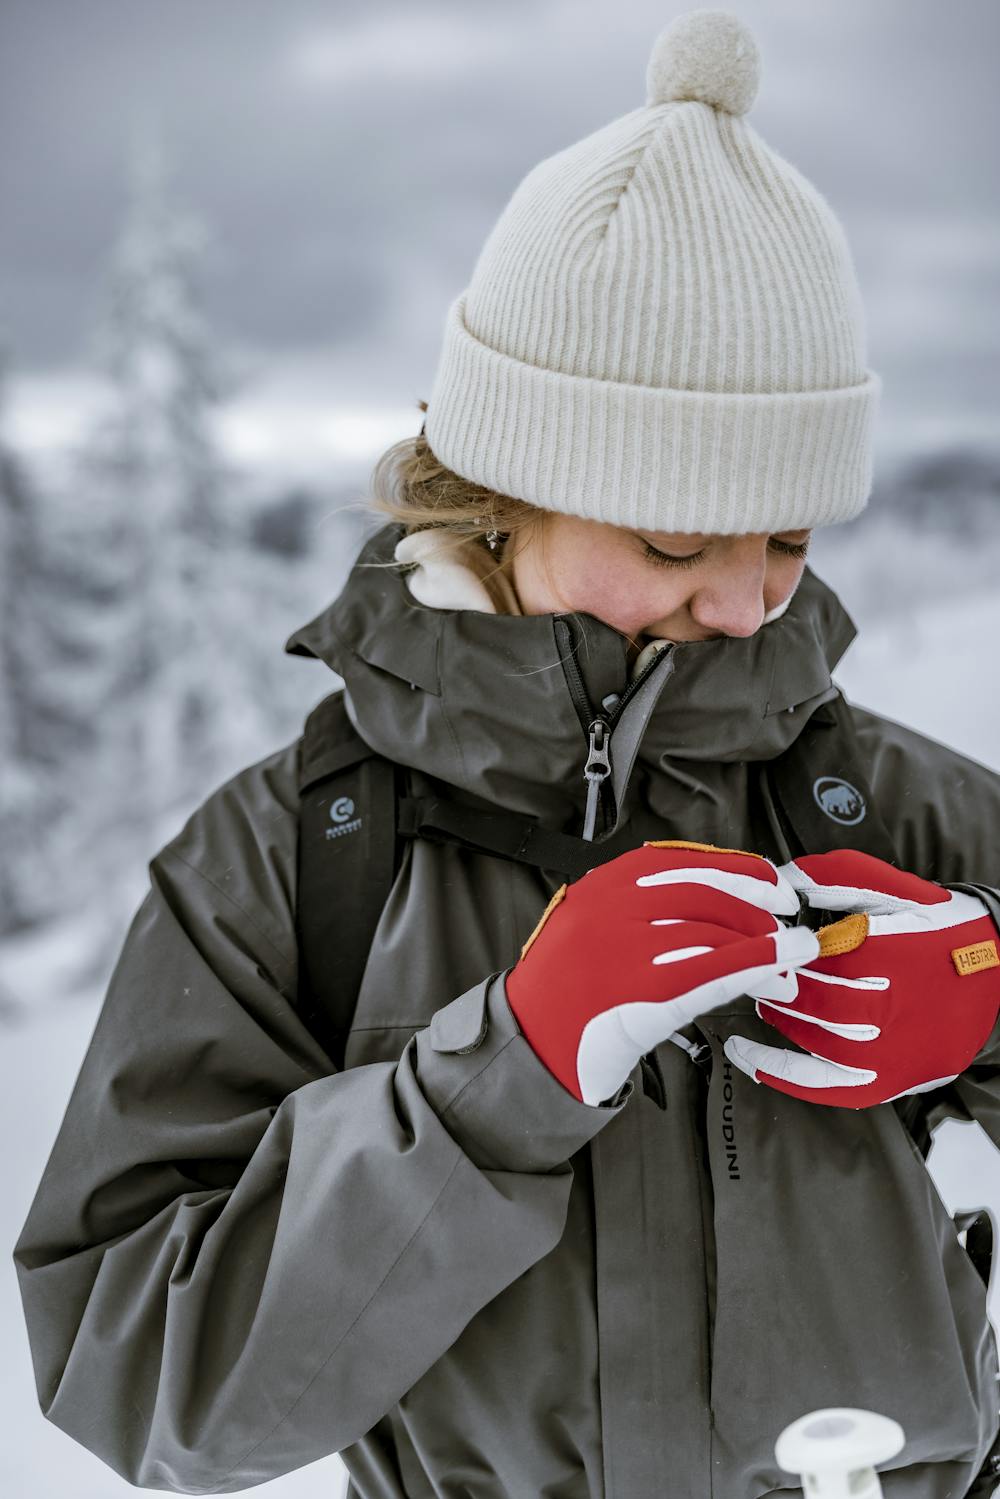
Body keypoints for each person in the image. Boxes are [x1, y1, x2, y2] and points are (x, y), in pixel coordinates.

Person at [14, 11, 1000, 1497]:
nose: (744, 602)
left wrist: (993, 997)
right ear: (501, 491)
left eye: (789, 536)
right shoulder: (288, 862)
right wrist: (497, 1085)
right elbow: (135, 1377)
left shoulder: (883, 799)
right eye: (677, 537)